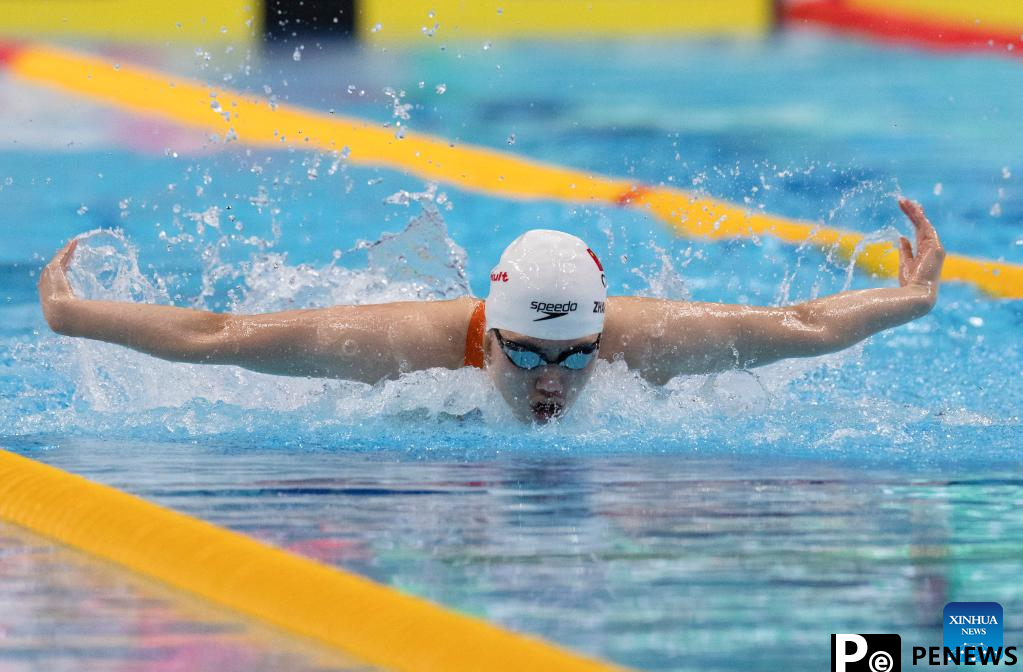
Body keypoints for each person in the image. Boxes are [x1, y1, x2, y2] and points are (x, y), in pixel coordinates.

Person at [38, 197, 945, 423]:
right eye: (527, 355)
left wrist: (910, 299)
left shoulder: (647, 342)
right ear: (489, 330)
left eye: (577, 356)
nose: (553, 381)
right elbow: (219, 338)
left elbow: (804, 328)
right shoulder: (406, 349)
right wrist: (74, 318)